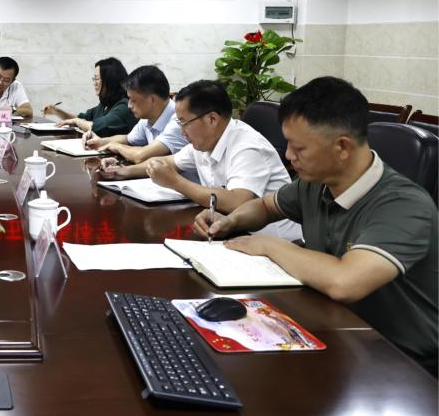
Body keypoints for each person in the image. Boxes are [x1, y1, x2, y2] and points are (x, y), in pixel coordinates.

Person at [194, 77, 437, 372]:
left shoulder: (404, 205)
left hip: (402, 359)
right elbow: (266, 206)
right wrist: (230, 220)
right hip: (336, 328)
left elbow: (345, 281)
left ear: (342, 147)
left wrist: (269, 245)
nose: (288, 156)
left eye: (299, 148)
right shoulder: (316, 183)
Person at [98, 79, 300, 239]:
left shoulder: (247, 147)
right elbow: (168, 162)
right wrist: (123, 170)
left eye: (184, 122)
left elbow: (238, 202)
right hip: (228, 232)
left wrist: (175, 182)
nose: (181, 131)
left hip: (274, 242)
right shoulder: (204, 141)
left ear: (212, 119)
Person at [84, 64, 188, 163]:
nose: (129, 105)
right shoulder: (148, 117)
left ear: (152, 100)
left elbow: (140, 156)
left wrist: (116, 146)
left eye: (133, 100)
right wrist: (99, 141)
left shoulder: (179, 121)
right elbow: (128, 139)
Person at [43, 57, 137, 136]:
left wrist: (77, 121)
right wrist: (56, 111)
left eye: (97, 79)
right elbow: (82, 118)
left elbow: (98, 127)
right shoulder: (105, 104)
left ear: (110, 80)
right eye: (94, 79)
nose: (94, 83)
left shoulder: (124, 106)